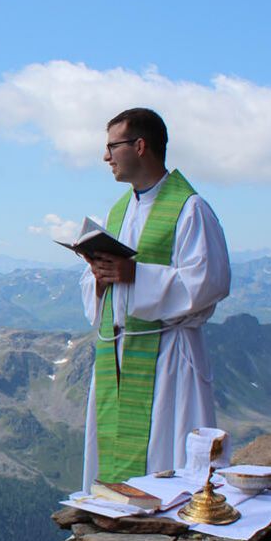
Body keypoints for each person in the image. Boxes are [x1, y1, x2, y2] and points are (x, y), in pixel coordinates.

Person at [77, 108, 231, 493]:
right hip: (119, 354)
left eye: (112, 146)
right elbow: (103, 281)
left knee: (167, 461)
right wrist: (99, 277)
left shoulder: (190, 208)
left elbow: (210, 281)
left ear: (140, 146)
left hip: (166, 355)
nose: (106, 156)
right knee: (116, 467)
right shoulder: (118, 210)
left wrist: (136, 276)